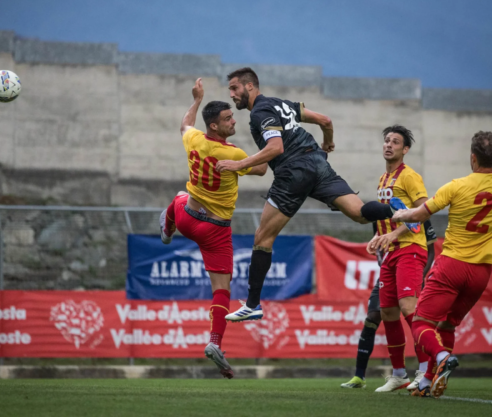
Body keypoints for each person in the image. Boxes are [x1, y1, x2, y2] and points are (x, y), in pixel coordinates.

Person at [217, 67, 409, 321]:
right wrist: (328, 142)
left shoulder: (260, 113)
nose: (231, 94)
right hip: (317, 162)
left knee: (263, 238)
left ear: (250, 86)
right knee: (360, 213)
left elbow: (275, 147)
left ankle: (252, 305)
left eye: (234, 88)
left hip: (293, 171)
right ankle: (403, 211)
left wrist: (237, 164)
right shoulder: (281, 104)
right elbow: (325, 120)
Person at [159, 78, 267, 378]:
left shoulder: (194, 140)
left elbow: (184, 125)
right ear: (215, 126)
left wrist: (195, 100)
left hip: (187, 219)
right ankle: (215, 343)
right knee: (222, 290)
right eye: (228, 119)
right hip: (216, 230)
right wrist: (265, 146)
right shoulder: (232, 154)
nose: (234, 120)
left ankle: (167, 229)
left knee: (180, 196)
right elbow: (261, 168)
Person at [391, 131, 492, 398]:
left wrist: (399, 213)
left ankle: (442, 356)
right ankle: (428, 380)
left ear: (473, 158)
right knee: (447, 324)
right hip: (482, 272)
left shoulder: (456, 185)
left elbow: (419, 214)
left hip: (452, 266)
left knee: (421, 324)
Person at [341, 126, 437, 391]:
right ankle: (398, 374)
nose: (389, 145)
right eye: (386, 140)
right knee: (387, 312)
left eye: (395, 142)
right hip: (391, 254)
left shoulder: (410, 176)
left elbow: (422, 212)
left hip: (410, 249)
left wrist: (395, 234)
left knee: (408, 307)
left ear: (405, 149)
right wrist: (379, 237)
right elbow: (389, 216)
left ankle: (425, 369)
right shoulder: (384, 179)